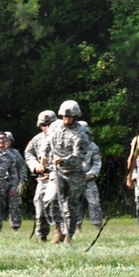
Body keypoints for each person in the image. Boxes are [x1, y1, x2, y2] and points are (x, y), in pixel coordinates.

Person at [44, 100, 90, 244]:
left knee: (71, 205)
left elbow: (79, 157)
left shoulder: (82, 133)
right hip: (57, 171)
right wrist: (43, 156)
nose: (66, 119)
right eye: (63, 116)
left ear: (76, 116)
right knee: (50, 200)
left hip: (74, 173)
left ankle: (68, 235)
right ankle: (58, 230)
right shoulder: (54, 126)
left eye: (69, 116)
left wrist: (63, 160)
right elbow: (47, 143)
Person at [24, 110, 56, 243]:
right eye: (43, 125)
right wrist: (35, 165)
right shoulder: (37, 139)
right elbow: (28, 154)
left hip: (60, 176)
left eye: (49, 124)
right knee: (40, 207)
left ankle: (63, 234)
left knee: (60, 207)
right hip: (43, 179)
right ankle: (42, 236)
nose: (46, 128)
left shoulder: (63, 137)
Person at [79, 123, 104, 235]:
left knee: (94, 203)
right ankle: (77, 227)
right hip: (75, 180)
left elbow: (97, 163)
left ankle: (98, 226)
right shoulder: (70, 146)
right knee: (75, 204)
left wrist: (91, 174)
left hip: (89, 180)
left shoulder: (93, 147)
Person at [3, 132, 25, 231]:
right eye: (5, 140)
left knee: (15, 205)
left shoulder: (15, 153)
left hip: (14, 182)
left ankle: (15, 226)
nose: (7, 142)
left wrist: (22, 181)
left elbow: (22, 167)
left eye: (9, 140)